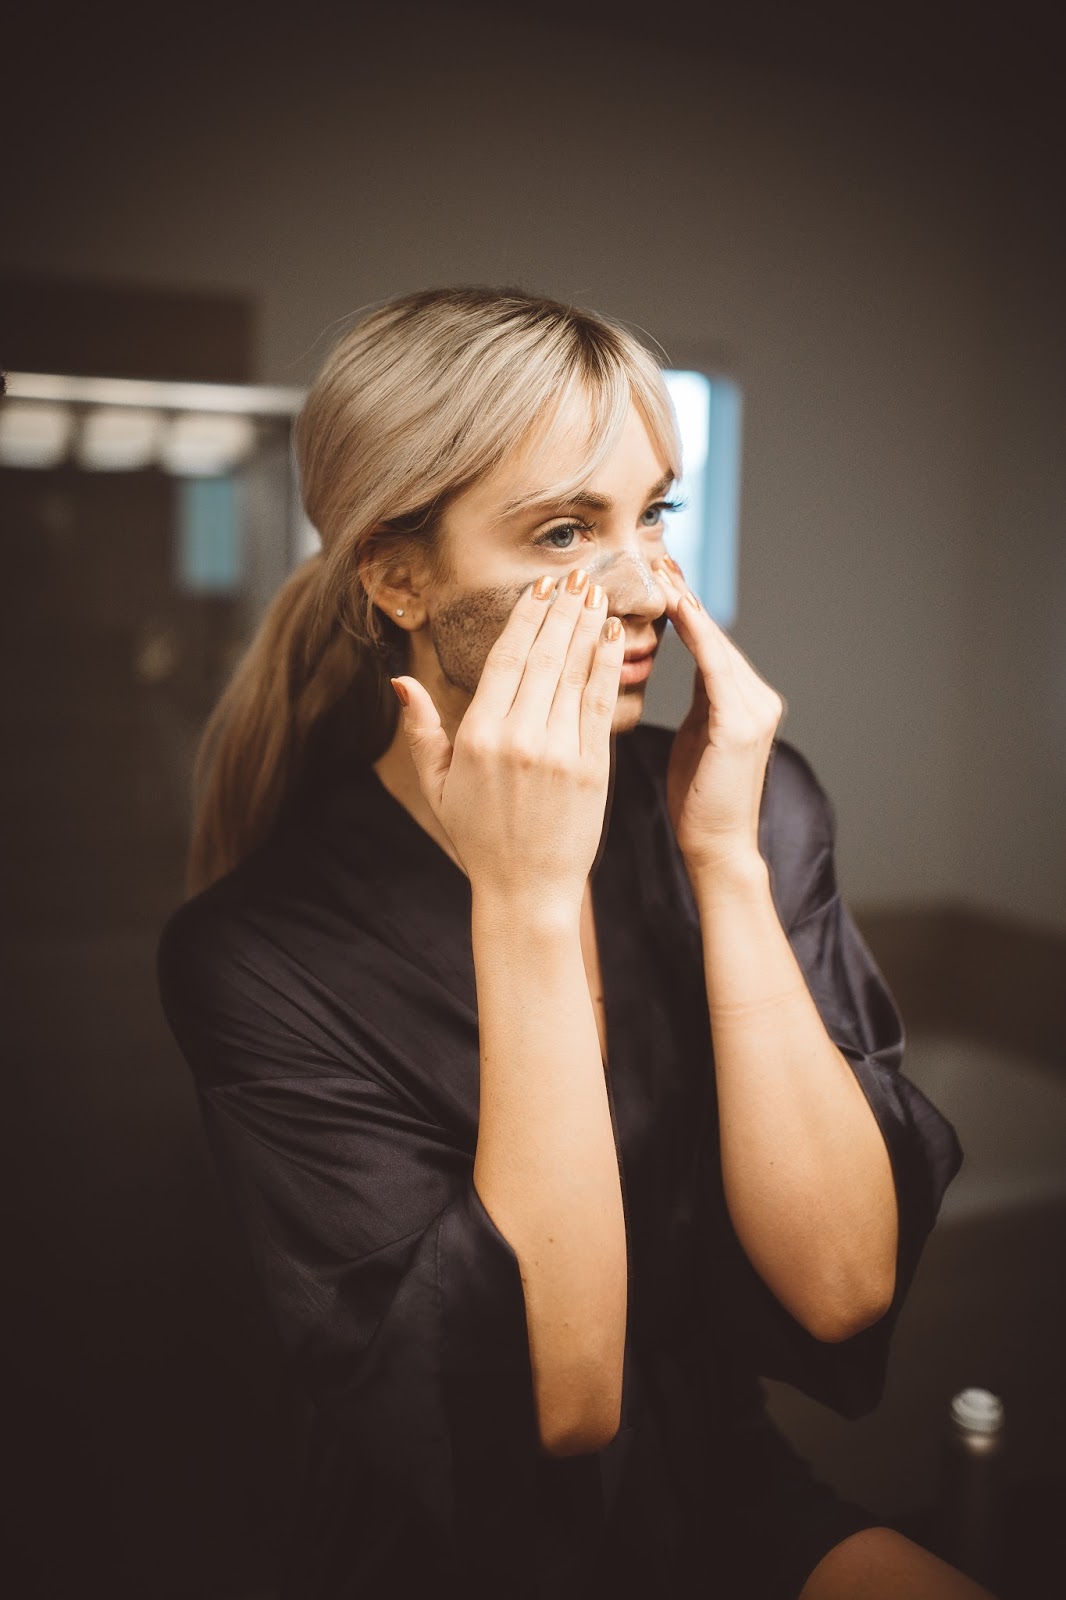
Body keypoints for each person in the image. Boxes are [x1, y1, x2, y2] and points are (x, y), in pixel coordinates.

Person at [156, 286, 990, 1599]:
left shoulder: (741, 803)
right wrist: (527, 899)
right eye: (562, 531)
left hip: (720, 1486)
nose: (647, 586)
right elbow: (561, 1404)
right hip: (451, 1542)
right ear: (398, 576)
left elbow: (840, 1285)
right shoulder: (258, 954)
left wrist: (723, 863)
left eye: (653, 514)